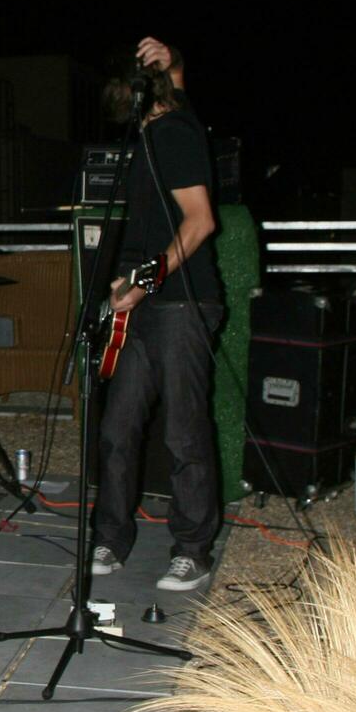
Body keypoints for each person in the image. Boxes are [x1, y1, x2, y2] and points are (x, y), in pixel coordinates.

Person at [90, 39, 223, 592]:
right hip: (143, 303)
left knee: (183, 431)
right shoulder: (157, 131)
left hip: (180, 305)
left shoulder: (173, 134)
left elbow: (199, 222)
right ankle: (110, 537)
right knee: (118, 428)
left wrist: (143, 284)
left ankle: (193, 549)